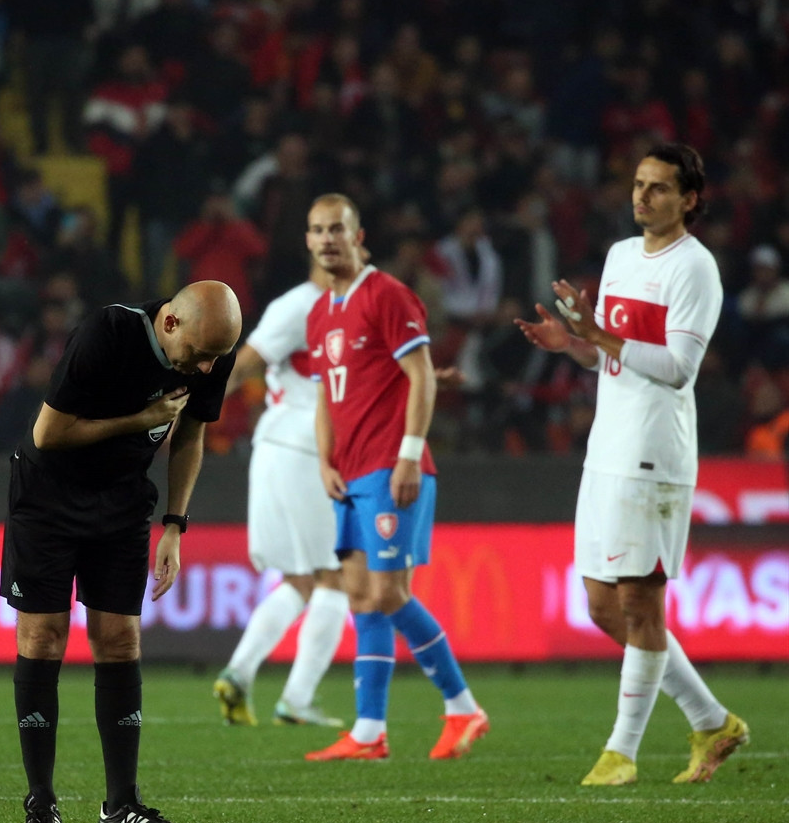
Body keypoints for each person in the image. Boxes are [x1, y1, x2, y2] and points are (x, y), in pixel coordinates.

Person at [515, 143, 749, 786]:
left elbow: (678, 370)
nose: (642, 197)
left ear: (690, 199)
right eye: (639, 185)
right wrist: (575, 345)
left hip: (656, 453)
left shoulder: (695, 269)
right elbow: (612, 357)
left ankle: (621, 753)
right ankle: (711, 719)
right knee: (599, 606)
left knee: (642, 605)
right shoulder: (620, 257)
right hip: (607, 448)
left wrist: (599, 336)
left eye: (659, 188)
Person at [0, 280, 242, 823]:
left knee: (119, 638)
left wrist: (176, 526)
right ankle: (41, 805)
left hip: (123, 499)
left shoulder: (213, 349)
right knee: (44, 637)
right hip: (49, 496)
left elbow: (190, 436)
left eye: (217, 359)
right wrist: (140, 420)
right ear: (171, 324)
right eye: (200, 355)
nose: (206, 370)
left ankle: (122, 806)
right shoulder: (108, 334)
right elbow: (49, 432)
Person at [302, 193, 489, 762]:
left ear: (359, 238)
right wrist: (324, 461)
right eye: (317, 230)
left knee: (388, 591)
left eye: (338, 229)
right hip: (349, 471)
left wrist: (409, 455)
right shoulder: (319, 313)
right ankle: (368, 732)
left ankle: (462, 708)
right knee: (361, 595)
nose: (327, 239)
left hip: (391, 465)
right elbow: (325, 398)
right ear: (307, 242)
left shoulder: (387, 295)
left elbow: (422, 376)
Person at [212, 258, 349, 729]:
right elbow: (245, 362)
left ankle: (239, 673)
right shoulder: (300, 305)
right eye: (323, 232)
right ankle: (297, 698)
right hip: (306, 447)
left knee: (300, 579)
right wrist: (193, 413)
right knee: (338, 576)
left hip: (279, 444)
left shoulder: (341, 305)